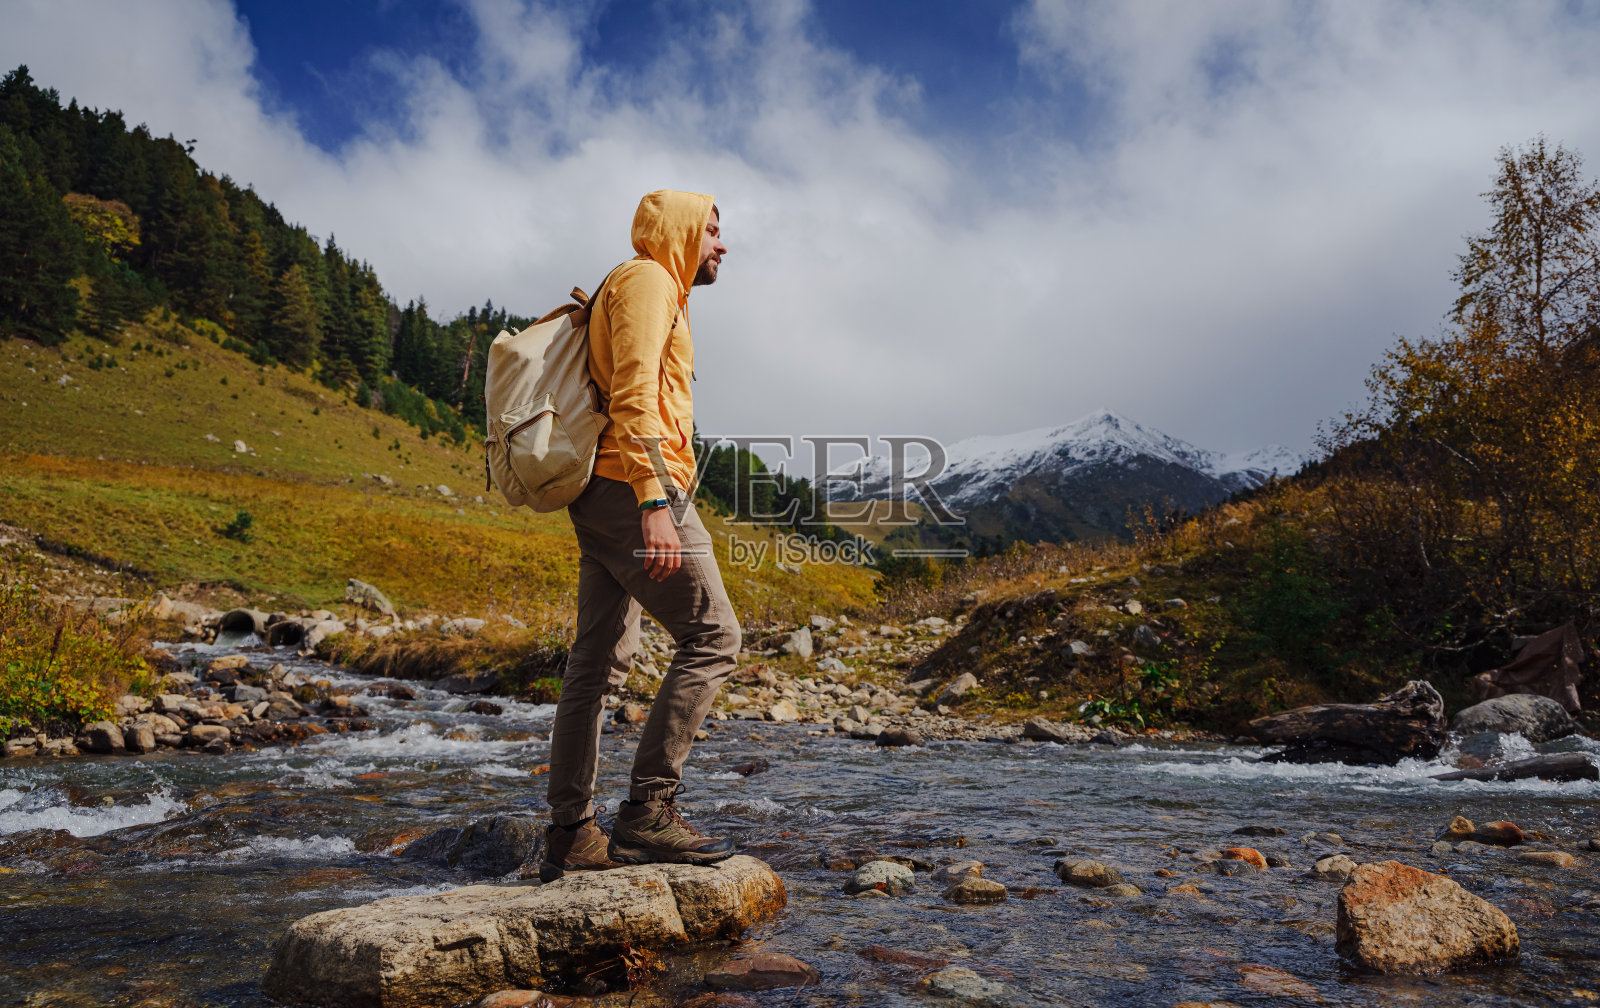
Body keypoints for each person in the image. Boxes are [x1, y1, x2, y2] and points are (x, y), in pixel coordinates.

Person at [539, 189, 740, 882]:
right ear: (681, 232)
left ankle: (570, 832)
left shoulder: (645, 286)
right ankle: (649, 813)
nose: (721, 243)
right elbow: (633, 394)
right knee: (715, 637)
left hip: (603, 490)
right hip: (632, 487)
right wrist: (656, 499)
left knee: (595, 666)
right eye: (712, 229)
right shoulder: (651, 279)